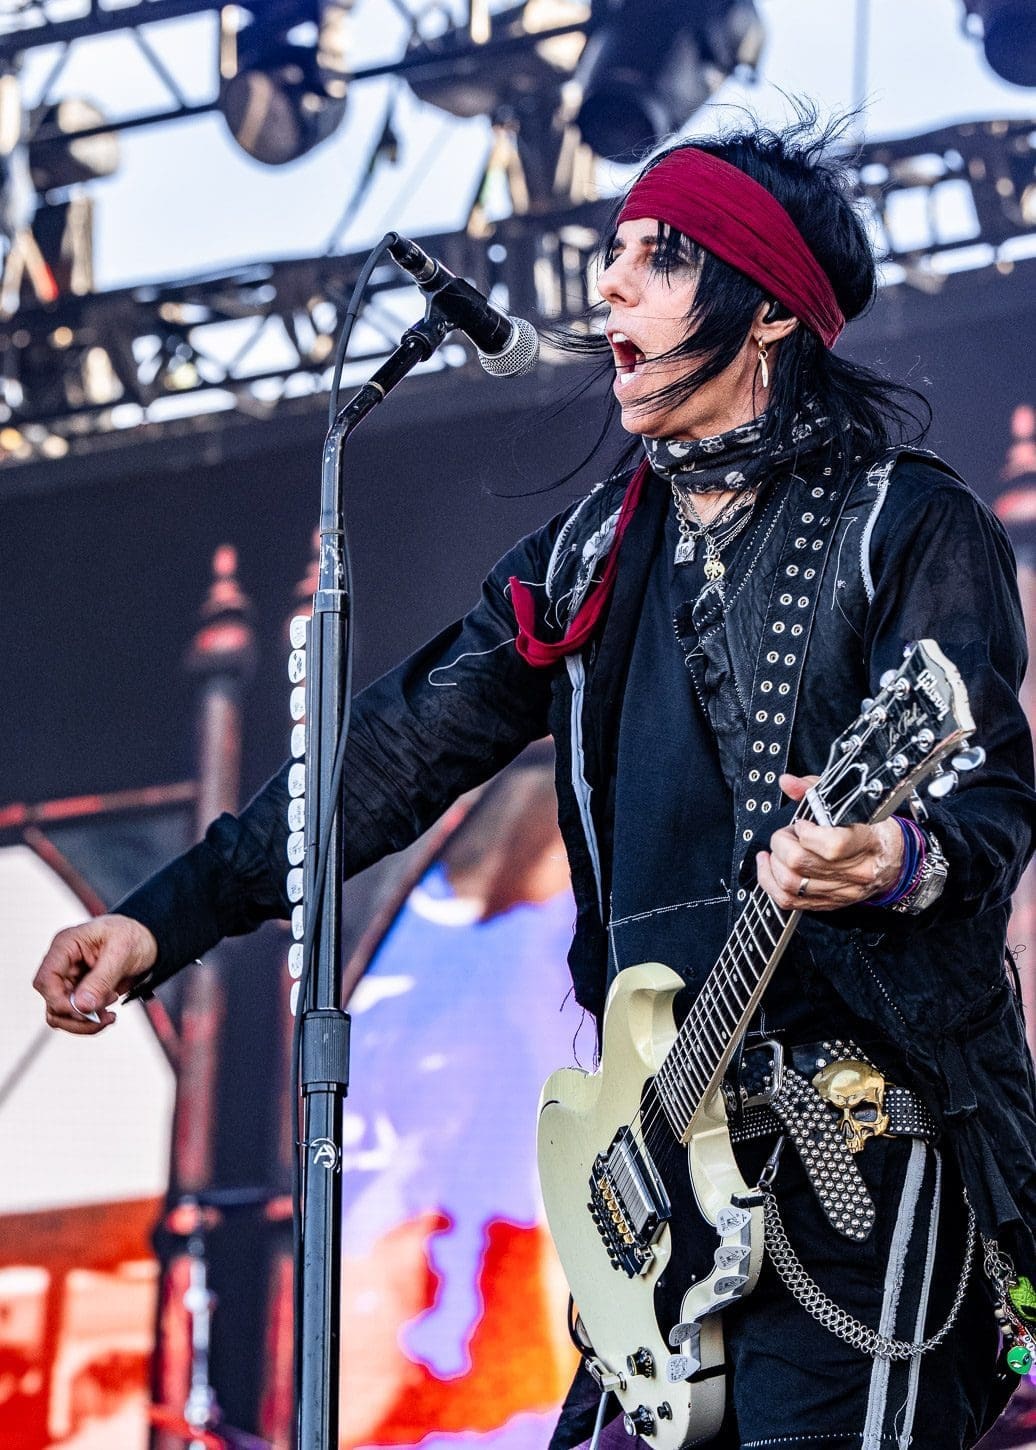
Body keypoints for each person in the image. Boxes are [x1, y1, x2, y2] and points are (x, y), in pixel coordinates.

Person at [33, 116, 1036, 1450]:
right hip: (663, 1187)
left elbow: (987, 803)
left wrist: (896, 859)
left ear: (768, 313)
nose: (605, 285)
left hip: (860, 1172)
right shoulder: (584, 560)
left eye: (657, 260)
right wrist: (165, 919)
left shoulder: (905, 524)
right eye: (610, 254)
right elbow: (386, 758)